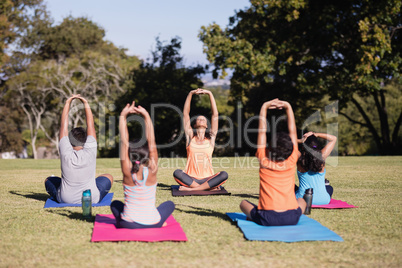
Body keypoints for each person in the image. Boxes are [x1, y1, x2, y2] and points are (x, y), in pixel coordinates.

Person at [240, 99, 306, 226]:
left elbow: (261, 131)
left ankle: (254, 217)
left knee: (243, 204)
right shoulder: (292, 158)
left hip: (267, 218)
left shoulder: (263, 158)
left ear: (269, 147)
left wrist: (264, 107)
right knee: (301, 201)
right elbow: (292, 131)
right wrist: (288, 106)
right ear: (291, 148)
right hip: (291, 218)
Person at [110, 101, 175, 229]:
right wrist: (146, 115)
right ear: (147, 156)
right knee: (170, 204)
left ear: (129, 155)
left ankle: (121, 223)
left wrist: (123, 116)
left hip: (128, 224)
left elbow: (124, 141)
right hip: (152, 223)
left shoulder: (127, 171)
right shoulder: (152, 170)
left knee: (115, 204)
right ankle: (157, 222)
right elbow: (152, 143)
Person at [44, 94, 113, 204]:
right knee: (108, 177)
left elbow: (63, 126)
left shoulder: (65, 151)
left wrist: (67, 103)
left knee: (48, 180)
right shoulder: (90, 149)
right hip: (91, 198)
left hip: (65, 198)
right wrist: (85, 103)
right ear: (86, 140)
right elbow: (91, 126)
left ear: (69, 141)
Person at [173, 88, 228, 191]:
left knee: (224, 175)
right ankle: (206, 188)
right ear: (194, 124)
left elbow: (215, 114)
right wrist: (190, 93)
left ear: (207, 125)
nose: (201, 120)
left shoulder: (211, 138)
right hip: (191, 178)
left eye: (203, 119)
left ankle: (193, 189)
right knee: (177, 173)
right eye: (199, 119)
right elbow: (185, 114)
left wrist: (210, 93)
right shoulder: (190, 137)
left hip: (208, 178)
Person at [295, 132, 337, 205]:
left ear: (303, 146)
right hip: (323, 200)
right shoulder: (322, 157)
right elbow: (333, 138)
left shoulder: (299, 157)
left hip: (302, 199)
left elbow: (286, 142)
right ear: (318, 146)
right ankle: (324, 185)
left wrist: (300, 141)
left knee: (291, 186)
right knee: (329, 188)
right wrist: (316, 134)